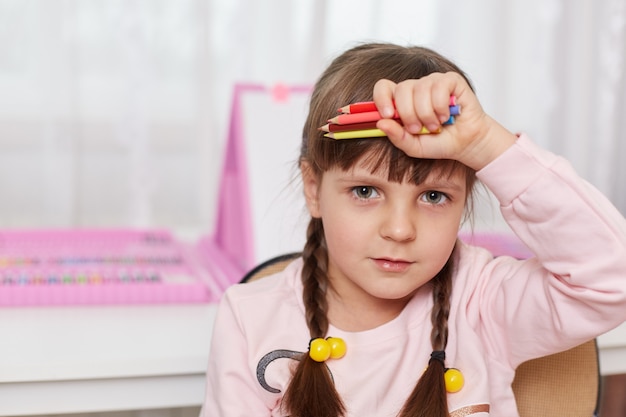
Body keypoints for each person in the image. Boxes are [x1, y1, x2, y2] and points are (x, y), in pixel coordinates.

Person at [200, 43, 626, 417]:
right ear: (314, 189)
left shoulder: (481, 300)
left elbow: (612, 278)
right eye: (365, 191)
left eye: (434, 197)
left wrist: (485, 144)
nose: (400, 229)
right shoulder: (249, 317)